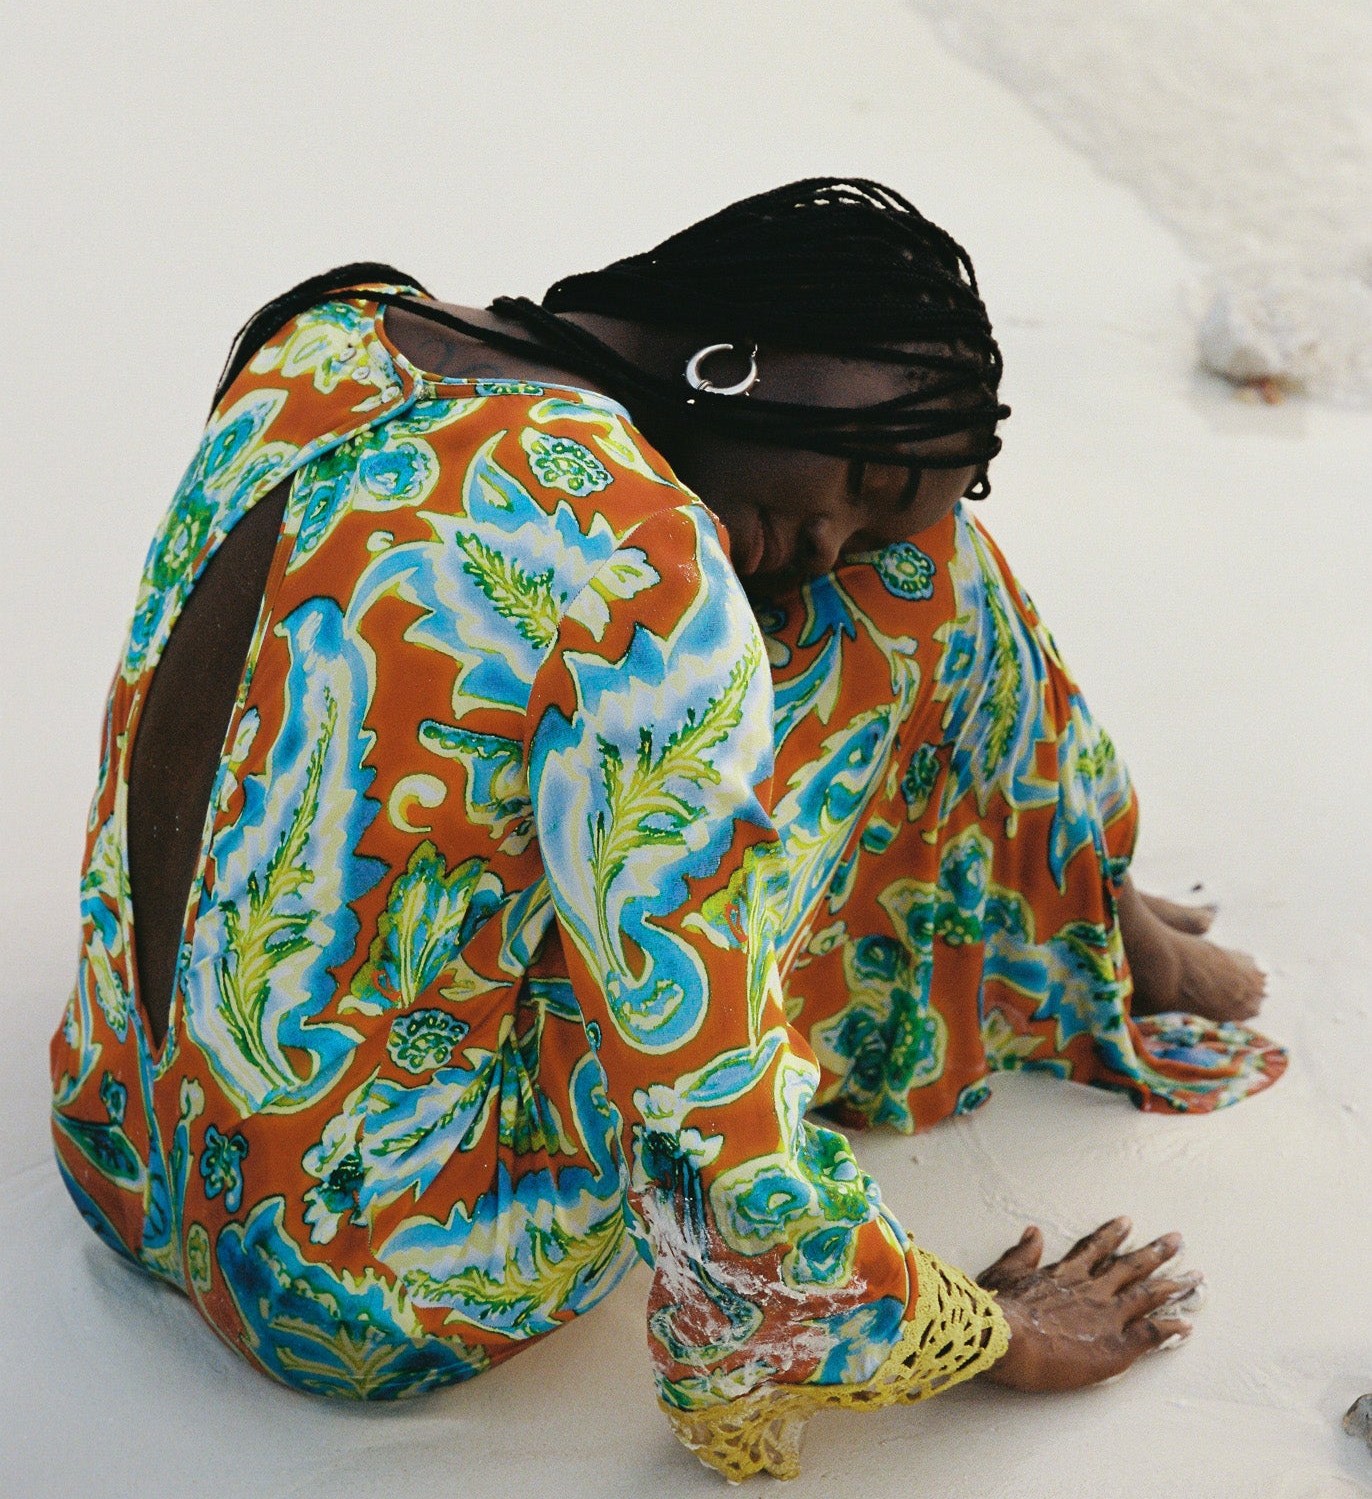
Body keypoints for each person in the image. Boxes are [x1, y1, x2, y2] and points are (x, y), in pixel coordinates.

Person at [50, 178, 1284, 1482]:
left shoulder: (330, 334)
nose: (824, 539)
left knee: (872, 586)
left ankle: (1089, 899)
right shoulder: (647, 567)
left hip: (117, 1134)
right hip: (366, 1295)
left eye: (867, 517)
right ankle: (1082, 905)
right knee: (932, 581)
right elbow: (713, 1123)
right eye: (859, 478)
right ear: (733, 354)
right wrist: (982, 1337)